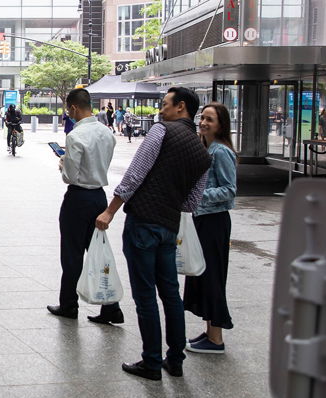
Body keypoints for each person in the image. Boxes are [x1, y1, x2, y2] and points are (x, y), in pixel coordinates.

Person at [95, 87, 211, 381]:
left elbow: (135, 173)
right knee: (171, 293)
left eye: (165, 104)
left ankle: (151, 361)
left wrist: (111, 210)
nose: (161, 109)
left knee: (145, 294)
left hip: (144, 222)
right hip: (169, 226)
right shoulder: (202, 152)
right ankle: (176, 359)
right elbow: (191, 202)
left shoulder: (161, 132)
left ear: (181, 107)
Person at [47, 88, 123, 323]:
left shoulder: (75, 136)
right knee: (99, 252)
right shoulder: (107, 133)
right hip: (99, 198)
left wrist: (63, 162)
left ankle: (69, 304)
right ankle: (111, 306)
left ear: (73, 108)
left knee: (71, 254)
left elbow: (69, 176)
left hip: (77, 199)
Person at [184, 102, 237, 354]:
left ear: (220, 125)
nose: (203, 123)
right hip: (203, 219)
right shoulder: (207, 148)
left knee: (213, 277)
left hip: (214, 222)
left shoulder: (220, 152)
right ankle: (210, 332)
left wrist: (198, 194)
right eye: (202, 118)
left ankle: (216, 338)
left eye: (210, 120)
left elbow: (230, 190)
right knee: (204, 277)